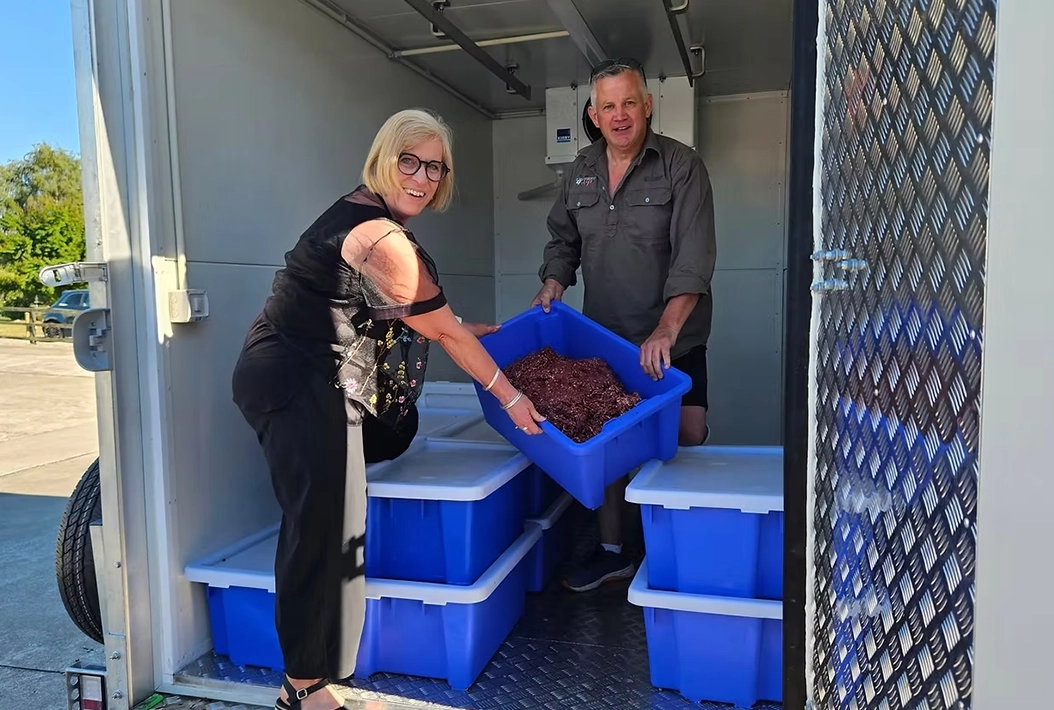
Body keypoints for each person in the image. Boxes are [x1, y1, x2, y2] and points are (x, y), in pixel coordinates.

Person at [232, 108, 546, 710]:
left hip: (301, 369)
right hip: (298, 379)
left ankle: (314, 678)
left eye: (435, 167)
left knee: (357, 483)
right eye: (410, 161)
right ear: (383, 158)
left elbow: (424, 320)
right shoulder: (381, 239)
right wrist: (510, 393)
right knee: (321, 529)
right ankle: (302, 689)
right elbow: (443, 332)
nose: (422, 178)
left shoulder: (365, 214)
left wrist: (469, 329)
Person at [532, 57, 717, 593]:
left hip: (672, 338)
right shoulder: (580, 168)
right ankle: (613, 552)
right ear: (593, 112)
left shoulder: (682, 166)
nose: (619, 115)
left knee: (686, 433)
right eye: (608, 105)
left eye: (629, 102)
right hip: (606, 338)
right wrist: (554, 283)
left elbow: (694, 258)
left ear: (647, 105)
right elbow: (563, 241)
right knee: (609, 444)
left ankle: (672, 551)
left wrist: (666, 329)